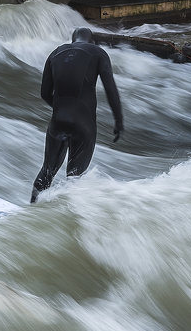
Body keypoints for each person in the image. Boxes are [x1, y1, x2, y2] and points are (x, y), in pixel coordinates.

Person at [31, 28, 124, 203]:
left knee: (47, 171)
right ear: (92, 41)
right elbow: (111, 90)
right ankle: (70, 223)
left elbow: (44, 93)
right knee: (74, 180)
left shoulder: (55, 53)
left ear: (72, 39)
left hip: (58, 121)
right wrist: (119, 121)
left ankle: (31, 212)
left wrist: (61, 107)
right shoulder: (98, 53)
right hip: (84, 123)